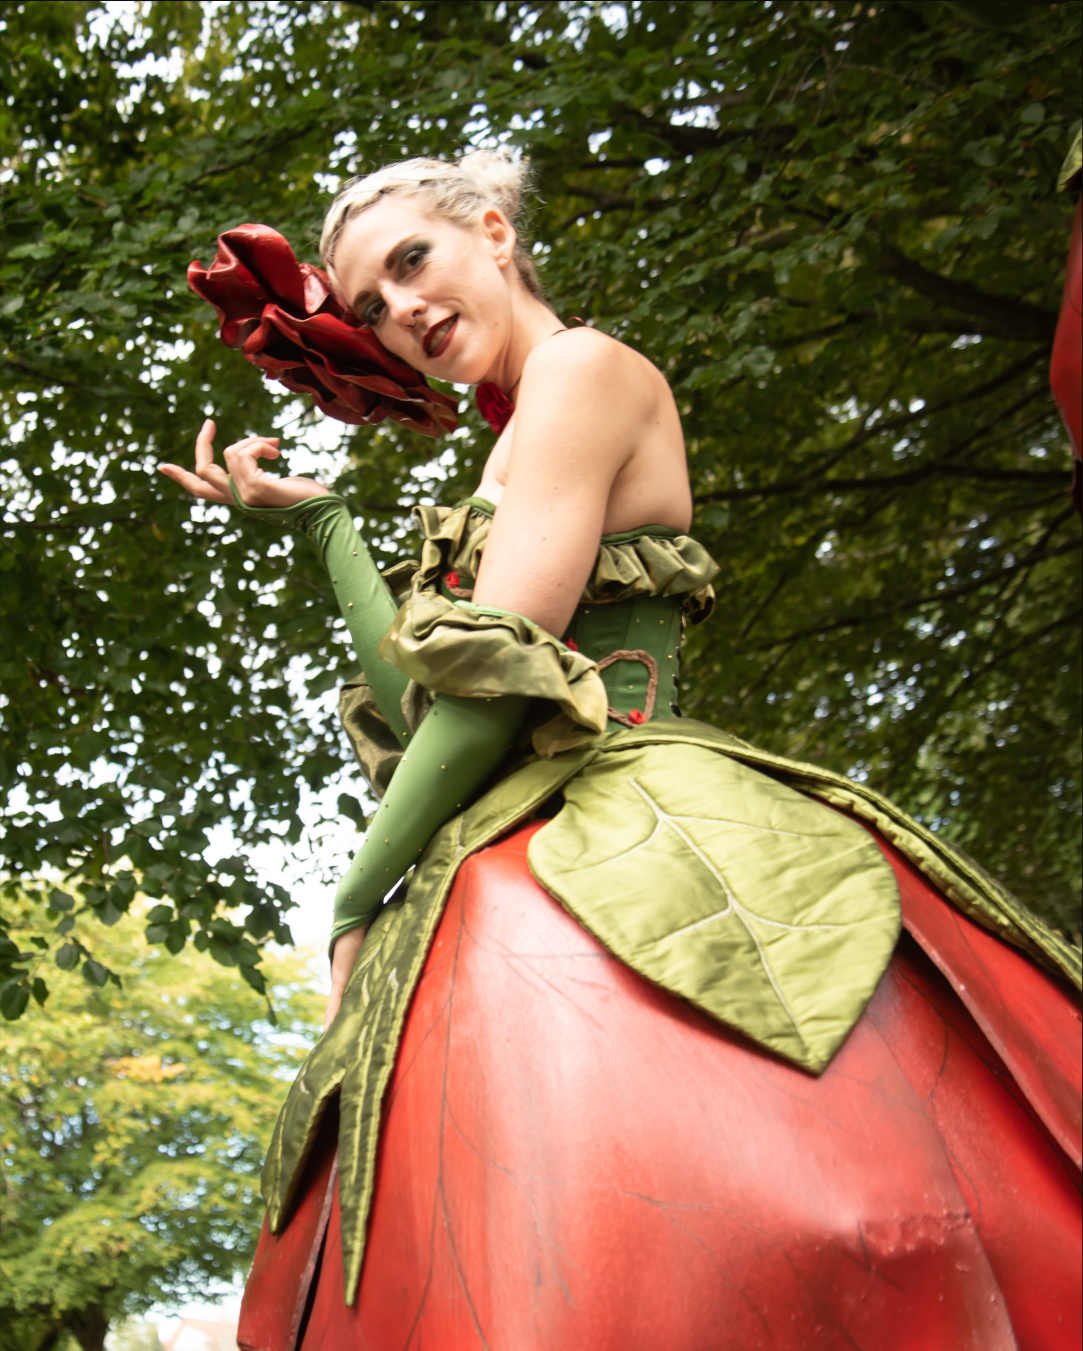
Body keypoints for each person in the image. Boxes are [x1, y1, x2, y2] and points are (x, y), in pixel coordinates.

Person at [162, 151, 1080, 1350]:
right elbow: (431, 702)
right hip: (516, 819)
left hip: (628, 797)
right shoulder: (506, 447)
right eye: (374, 308)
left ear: (493, 231)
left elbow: (499, 685)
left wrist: (352, 893)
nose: (403, 313)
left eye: (411, 262)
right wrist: (326, 524)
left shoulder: (585, 372)